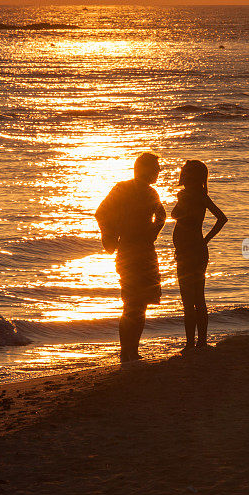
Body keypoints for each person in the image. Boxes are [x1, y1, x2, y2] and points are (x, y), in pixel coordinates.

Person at [95, 153, 166, 362]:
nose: (159, 171)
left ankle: (130, 350)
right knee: (134, 302)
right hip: (132, 250)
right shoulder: (125, 188)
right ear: (143, 168)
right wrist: (111, 237)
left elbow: (161, 215)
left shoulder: (149, 192)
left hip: (140, 249)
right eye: (156, 167)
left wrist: (153, 231)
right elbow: (101, 213)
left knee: (138, 302)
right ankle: (128, 351)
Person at [171, 160, 227, 351]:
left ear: (193, 177)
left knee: (190, 299)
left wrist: (205, 239)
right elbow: (221, 218)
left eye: (186, 174)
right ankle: (199, 342)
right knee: (196, 298)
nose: (183, 177)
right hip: (193, 250)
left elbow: (175, 214)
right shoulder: (200, 195)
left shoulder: (191, 195)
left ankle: (192, 344)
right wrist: (205, 240)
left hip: (190, 252)